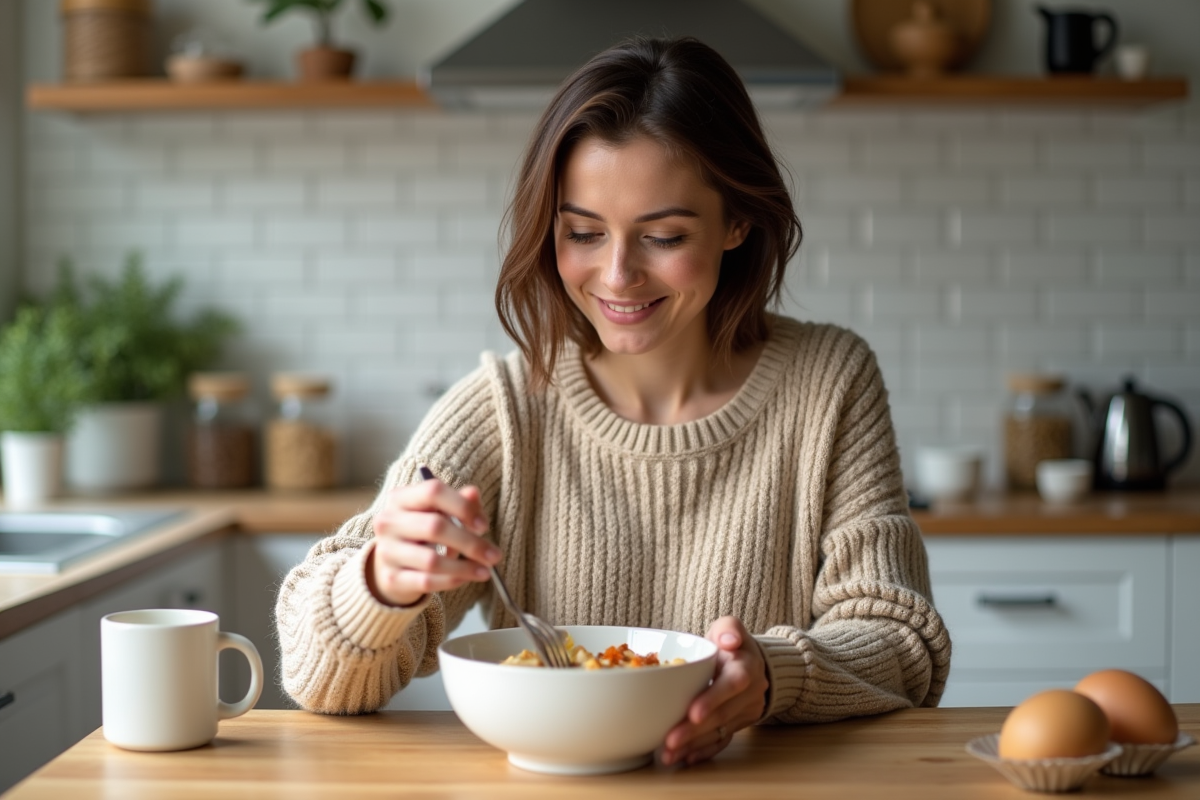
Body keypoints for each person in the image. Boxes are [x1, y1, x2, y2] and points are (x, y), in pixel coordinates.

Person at [276, 35, 951, 768]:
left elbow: (902, 643)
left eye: (663, 235)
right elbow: (319, 678)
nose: (618, 274)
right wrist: (381, 581)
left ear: (737, 223)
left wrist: (771, 678)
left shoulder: (829, 382)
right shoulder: (507, 406)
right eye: (583, 233)